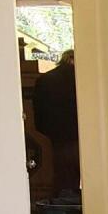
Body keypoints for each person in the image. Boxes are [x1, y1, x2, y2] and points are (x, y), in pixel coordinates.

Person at [33, 47, 79, 192]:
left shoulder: (44, 80)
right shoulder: (82, 79)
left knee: (62, 179)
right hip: (79, 135)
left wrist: (45, 134)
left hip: (54, 139)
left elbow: (38, 112)